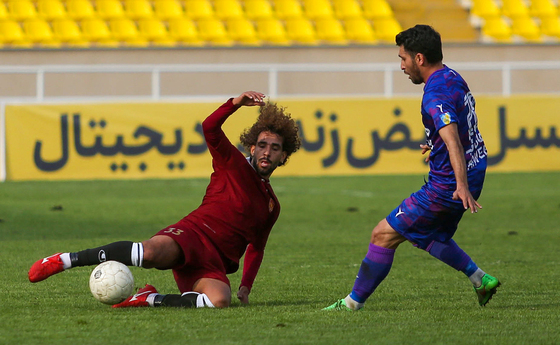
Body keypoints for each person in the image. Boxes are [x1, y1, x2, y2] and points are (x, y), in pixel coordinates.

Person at [28, 91, 301, 309]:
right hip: (192, 235)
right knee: (147, 254)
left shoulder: (271, 206)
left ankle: (149, 298)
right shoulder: (232, 162)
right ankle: (65, 260)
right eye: (262, 146)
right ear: (252, 148)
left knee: (219, 302)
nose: (267, 152)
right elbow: (209, 127)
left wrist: (245, 286)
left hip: (213, 263)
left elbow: (257, 247)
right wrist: (235, 103)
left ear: (283, 157)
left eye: (275, 148)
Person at [323, 25, 500, 311]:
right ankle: (480, 279)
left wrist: (460, 184)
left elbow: (453, 137)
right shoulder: (452, 76)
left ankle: (351, 304)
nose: (402, 66)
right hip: (473, 168)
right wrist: (435, 145)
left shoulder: (434, 96)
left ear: (419, 58)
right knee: (427, 234)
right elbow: (461, 125)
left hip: (449, 185)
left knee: (382, 234)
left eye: (403, 58)